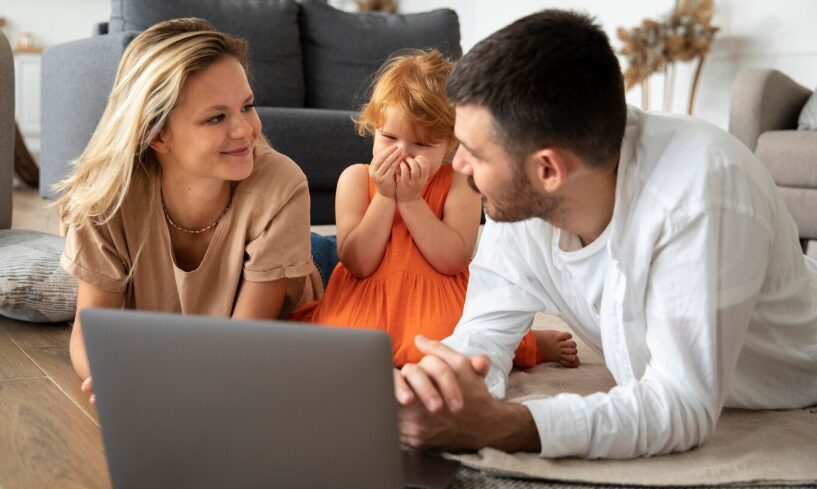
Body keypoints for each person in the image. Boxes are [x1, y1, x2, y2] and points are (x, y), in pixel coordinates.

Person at [393, 10, 817, 458]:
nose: (457, 166)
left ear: (548, 169)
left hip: (798, 375)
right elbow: (483, 332)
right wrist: (443, 389)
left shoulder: (700, 195)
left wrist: (505, 427)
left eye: (474, 154)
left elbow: (681, 404)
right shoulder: (519, 201)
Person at [58, 18, 322, 402]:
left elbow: (240, 349)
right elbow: (87, 337)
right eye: (217, 117)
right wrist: (113, 378)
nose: (245, 130)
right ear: (157, 134)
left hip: (296, 273)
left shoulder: (281, 186)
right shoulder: (105, 199)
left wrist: (165, 386)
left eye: (247, 106)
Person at [291, 50, 578, 368]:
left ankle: (529, 343)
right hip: (366, 297)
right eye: (389, 137)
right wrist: (385, 197)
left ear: (449, 145)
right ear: (374, 128)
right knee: (332, 346)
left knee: (464, 346)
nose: (402, 152)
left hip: (436, 296)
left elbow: (453, 260)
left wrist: (412, 201)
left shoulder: (458, 181)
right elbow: (357, 263)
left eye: (422, 145)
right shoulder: (355, 179)